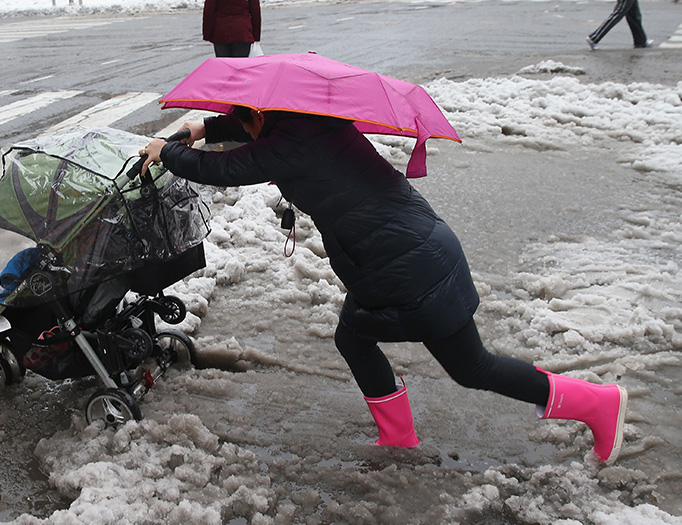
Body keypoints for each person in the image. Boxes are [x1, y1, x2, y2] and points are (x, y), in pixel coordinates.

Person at [138, 107, 629, 464]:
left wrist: (170, 151)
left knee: (463, 365)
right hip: (421, 244)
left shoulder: (286, 144)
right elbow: (241, 129)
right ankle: (400, 434)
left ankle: (596, 404)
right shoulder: (311, 120)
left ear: (260, 117)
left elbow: (224, 169)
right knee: (395, 347)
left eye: (243, 121)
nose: (243, 128)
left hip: (401, 264)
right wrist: (200, 126)